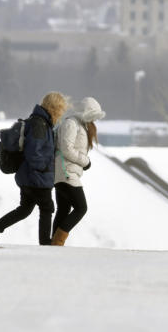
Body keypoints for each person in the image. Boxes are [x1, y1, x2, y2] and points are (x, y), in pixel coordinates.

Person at [0, 92, 69, 245]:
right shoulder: (39, 125)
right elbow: (34, 152)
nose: (61, 113)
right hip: (37, 177)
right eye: (60, 109)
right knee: (47, 208)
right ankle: (44, 243)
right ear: (54, 108)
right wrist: (44, 168)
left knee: (24, 209)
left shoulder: (41, 122)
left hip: (29, 176)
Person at [50, 96, 106, 247]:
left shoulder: (80, 124)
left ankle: (53, 244)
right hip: (66, 172)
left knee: (63, 209)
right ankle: (58, 241)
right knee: (81, 208)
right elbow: (66, 149)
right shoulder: (71, 123)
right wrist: (85, 161)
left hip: (65, 172)